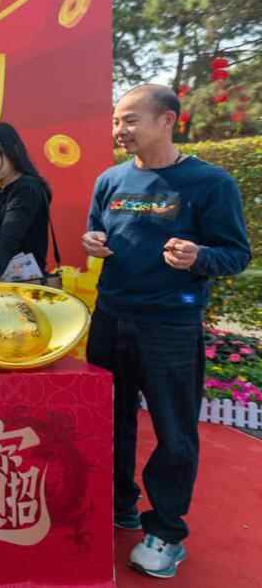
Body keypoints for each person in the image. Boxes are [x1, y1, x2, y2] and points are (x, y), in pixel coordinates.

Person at [83, 84, 250, 579]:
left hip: (170, 326)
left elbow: (236, 254)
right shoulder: (111, 180)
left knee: (174, 432)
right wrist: (92, 242)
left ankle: (166, 532)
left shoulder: (210, 183)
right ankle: (118, 502)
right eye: (116, 121)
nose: (120, 130)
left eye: (131, 120)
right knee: (108, 421)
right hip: (110, 317)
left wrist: (199, 256)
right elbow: (95, 230)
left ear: (168, 120)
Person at [0, 122, 54, 282]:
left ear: (12, 150)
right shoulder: (3, 188)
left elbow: (7, 244)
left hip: (23, 287)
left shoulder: (26, 189)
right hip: (4, 283)